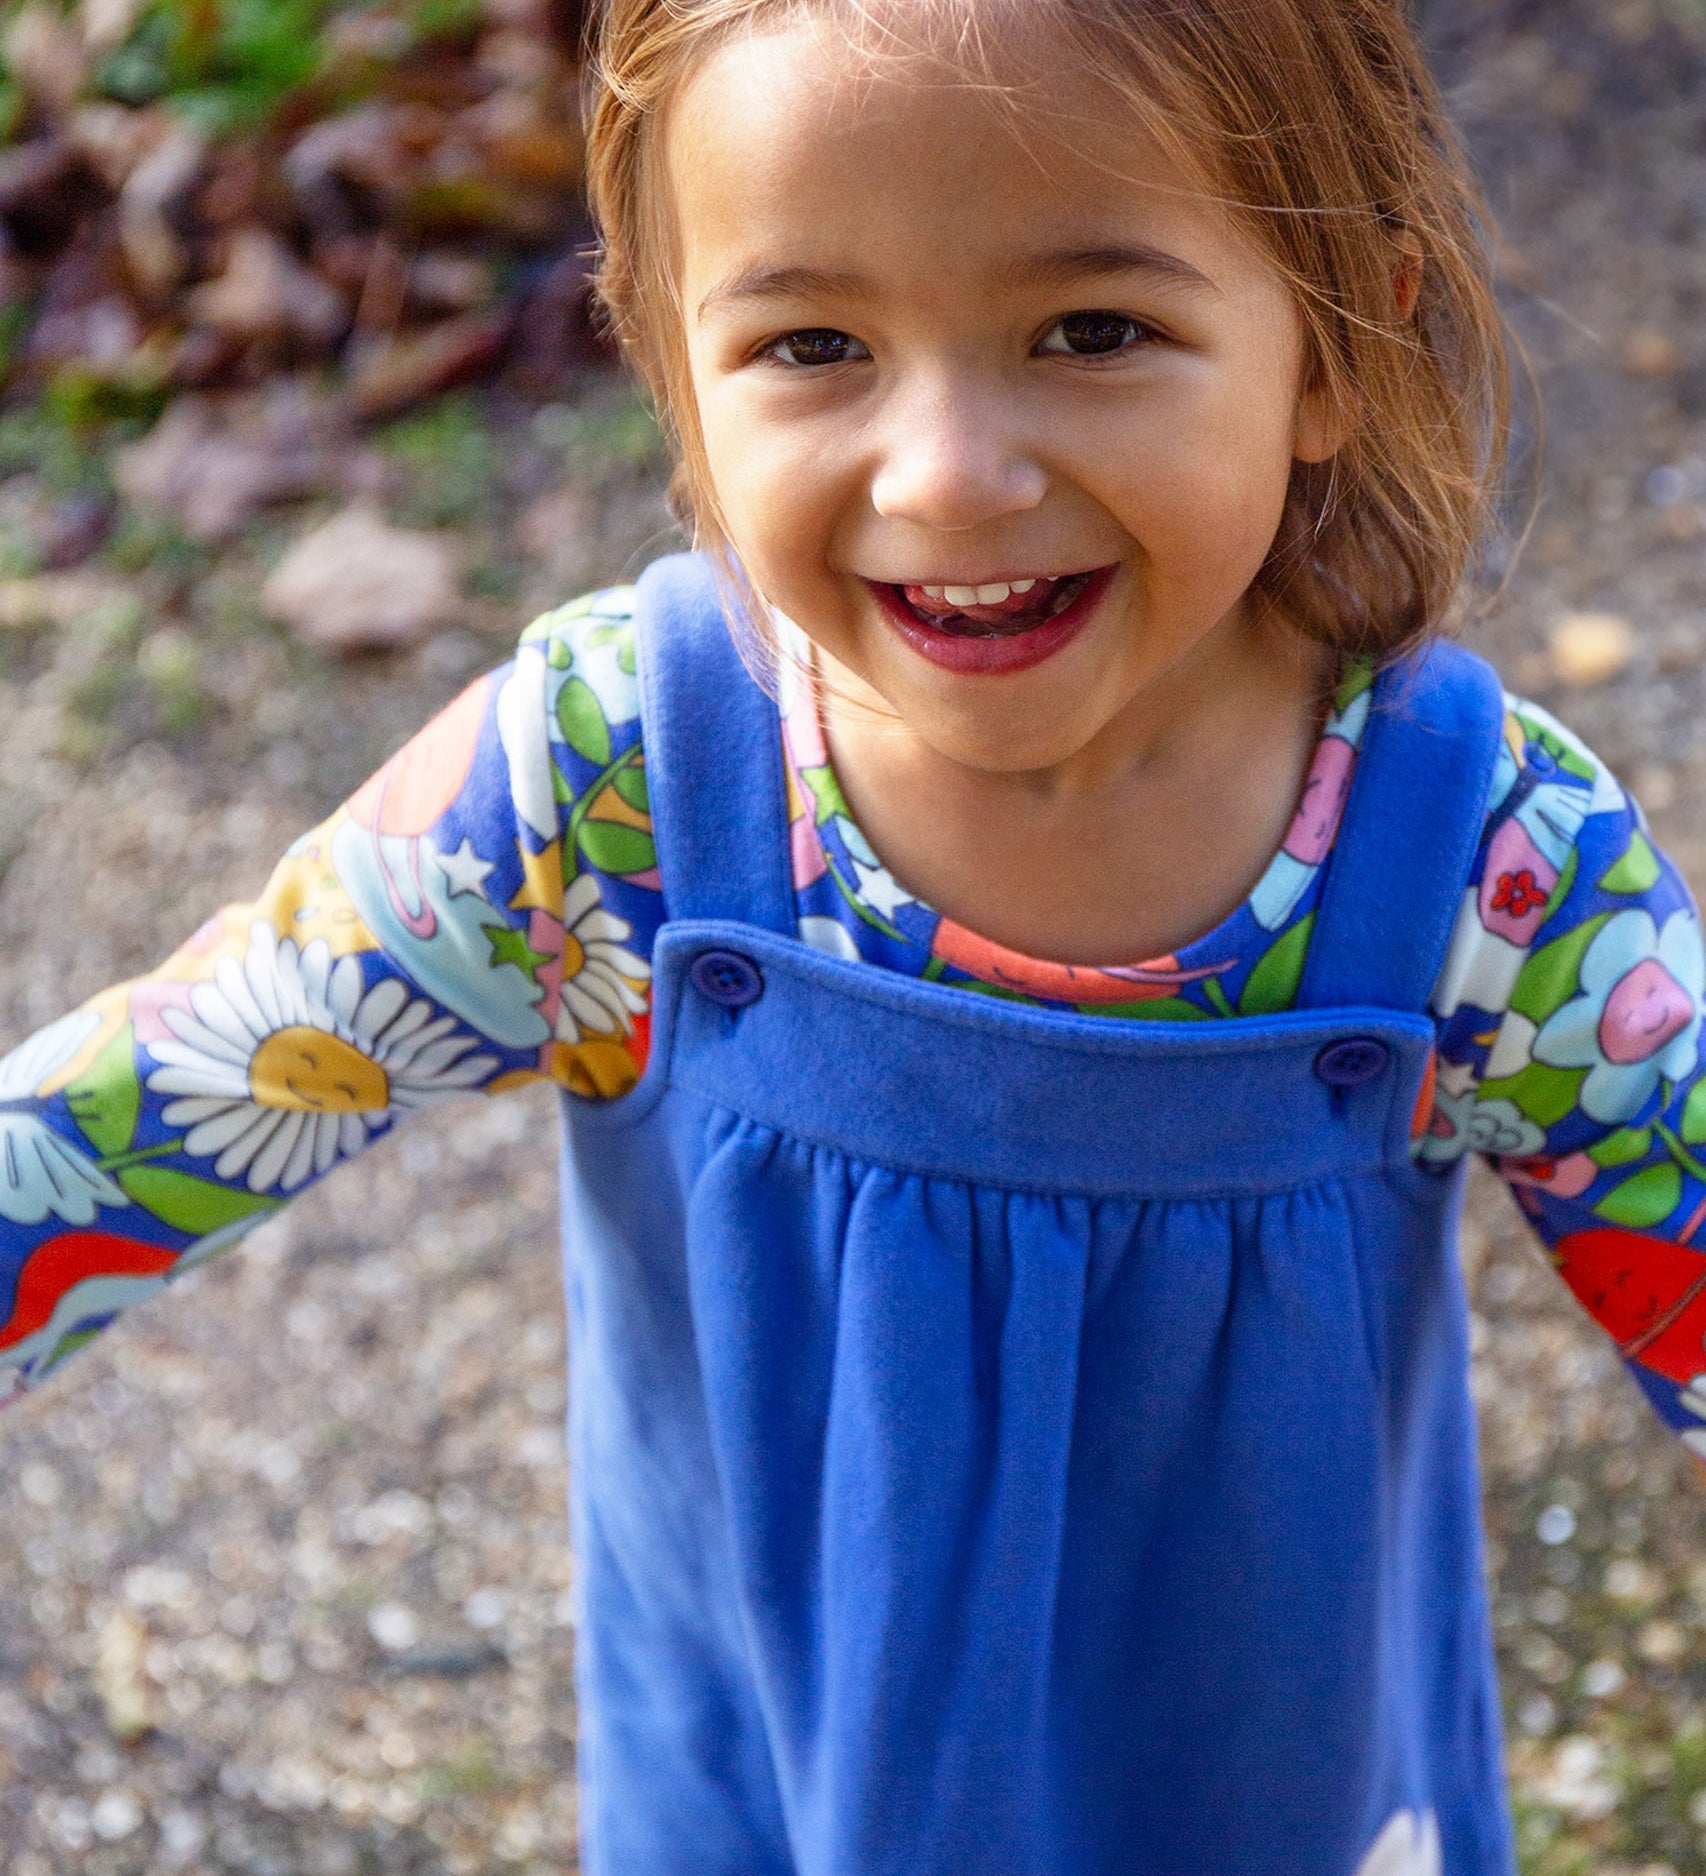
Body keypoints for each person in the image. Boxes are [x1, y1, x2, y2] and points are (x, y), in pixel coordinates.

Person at [1, 0, 1700, 1870]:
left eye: (1093, 330)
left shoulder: (1481, 863)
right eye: (813, 344)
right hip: (764, 1800)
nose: (947, 473)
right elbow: (149, 1109)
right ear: (671, 359)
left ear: (1336, 344)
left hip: (1268, 1800)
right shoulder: (608, 791)